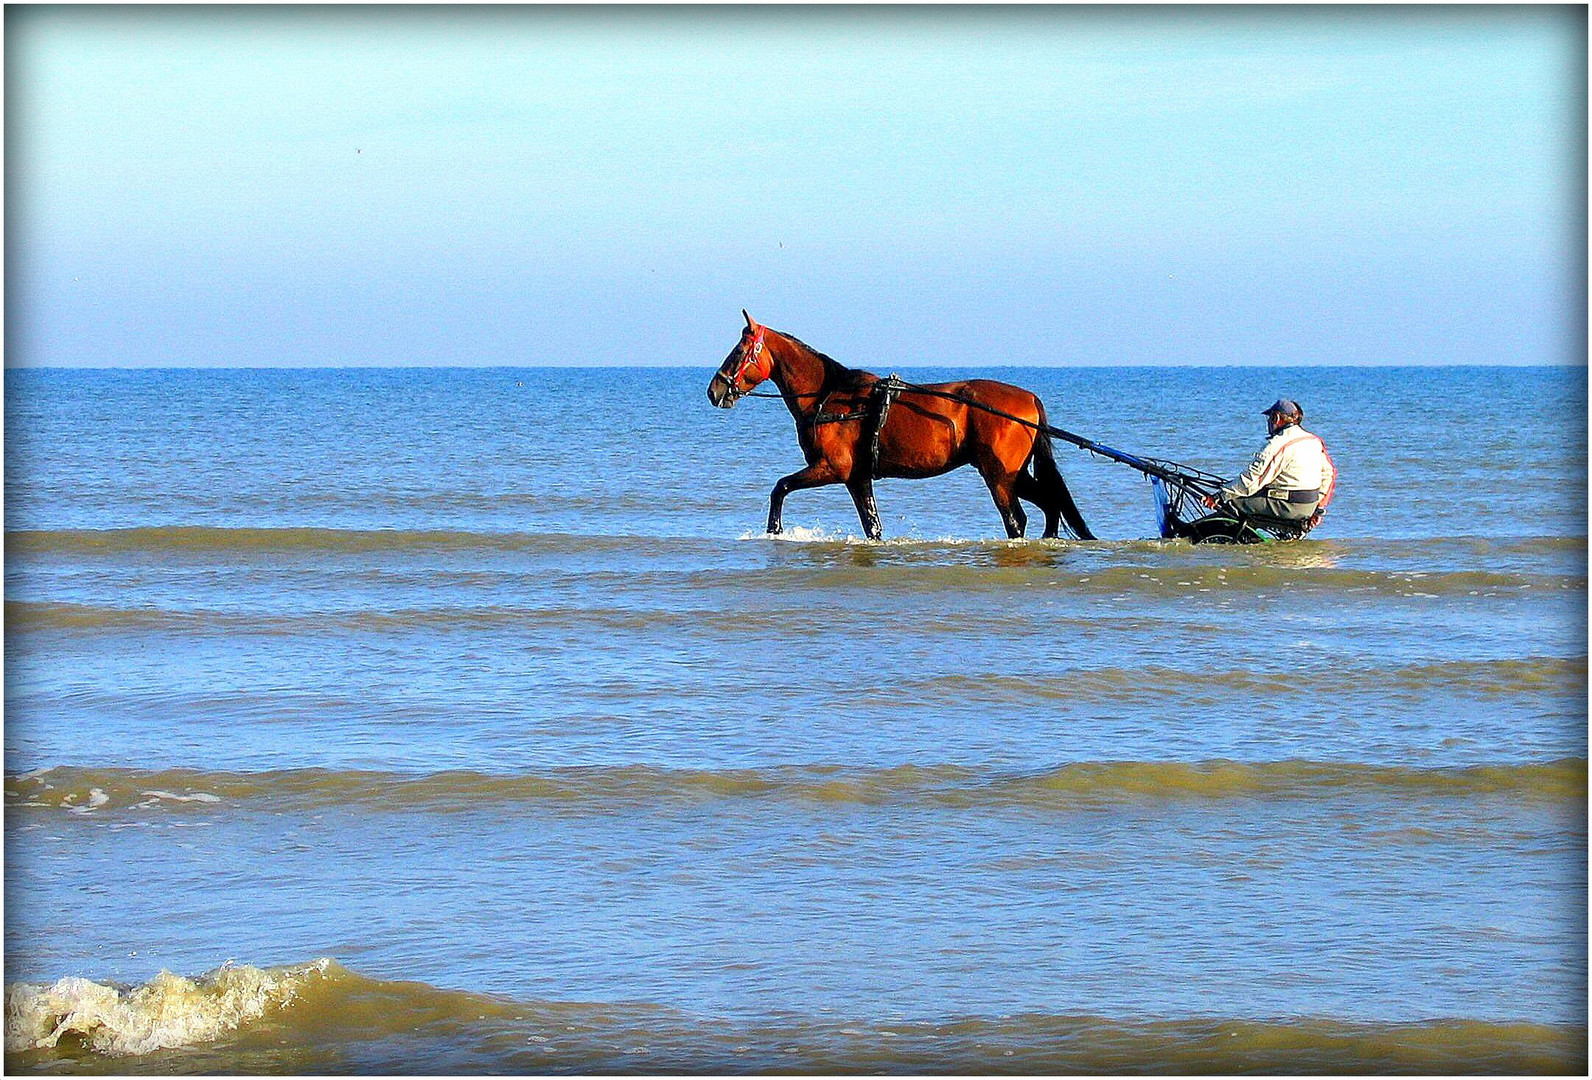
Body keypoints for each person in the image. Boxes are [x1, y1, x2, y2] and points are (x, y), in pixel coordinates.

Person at [1198, 398, 1336, 532]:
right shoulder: (1313, 440)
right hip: (1309, 506)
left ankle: (1195, 538)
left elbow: (1253, 479)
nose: (1269, 422)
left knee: (1232, 504)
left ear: (1276, 418)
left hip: (1289, 507)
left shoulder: (1278, 444)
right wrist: (1319, 509)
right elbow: (1329, 474)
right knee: (1243, 496)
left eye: (1269, 418)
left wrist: (1219, 497)